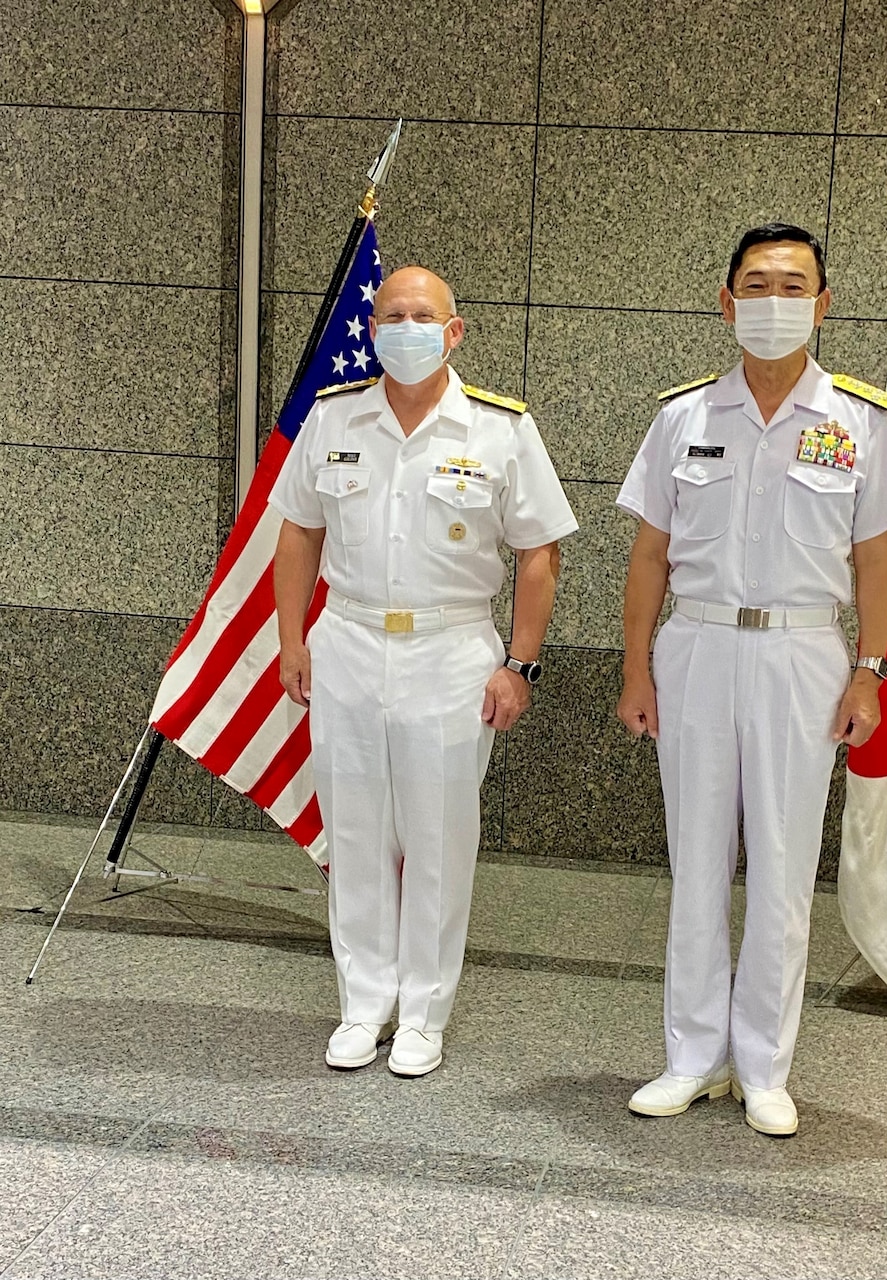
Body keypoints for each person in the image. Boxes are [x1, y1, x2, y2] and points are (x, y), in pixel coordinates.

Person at [615, 224, 887, 1135]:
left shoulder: (860, 422)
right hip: (699, 648)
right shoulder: (683, 417)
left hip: (803, 655)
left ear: (825, 305)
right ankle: (691, 1058)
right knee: (697, 861)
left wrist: (868, 672)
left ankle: (764, 1067)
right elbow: (648, 556)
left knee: (785, 868)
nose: (775, 302)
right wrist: (636, 668)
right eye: (757, 285)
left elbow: (877, 559)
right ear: (726, 302)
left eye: (795, 286)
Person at [270, 266, 578, 1077]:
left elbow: (539, 554)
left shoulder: (498, 430)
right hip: (347, 641)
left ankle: (424, 1014)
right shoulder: (335, 418)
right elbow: (299, 532)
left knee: (440, 836)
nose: (405, 327)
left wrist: (521, 664)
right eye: (391, 314)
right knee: (358, 830)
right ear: (373, 329)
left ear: (455, 330)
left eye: (422, 315)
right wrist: (292, 640)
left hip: (450, 651)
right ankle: (364, 1004)